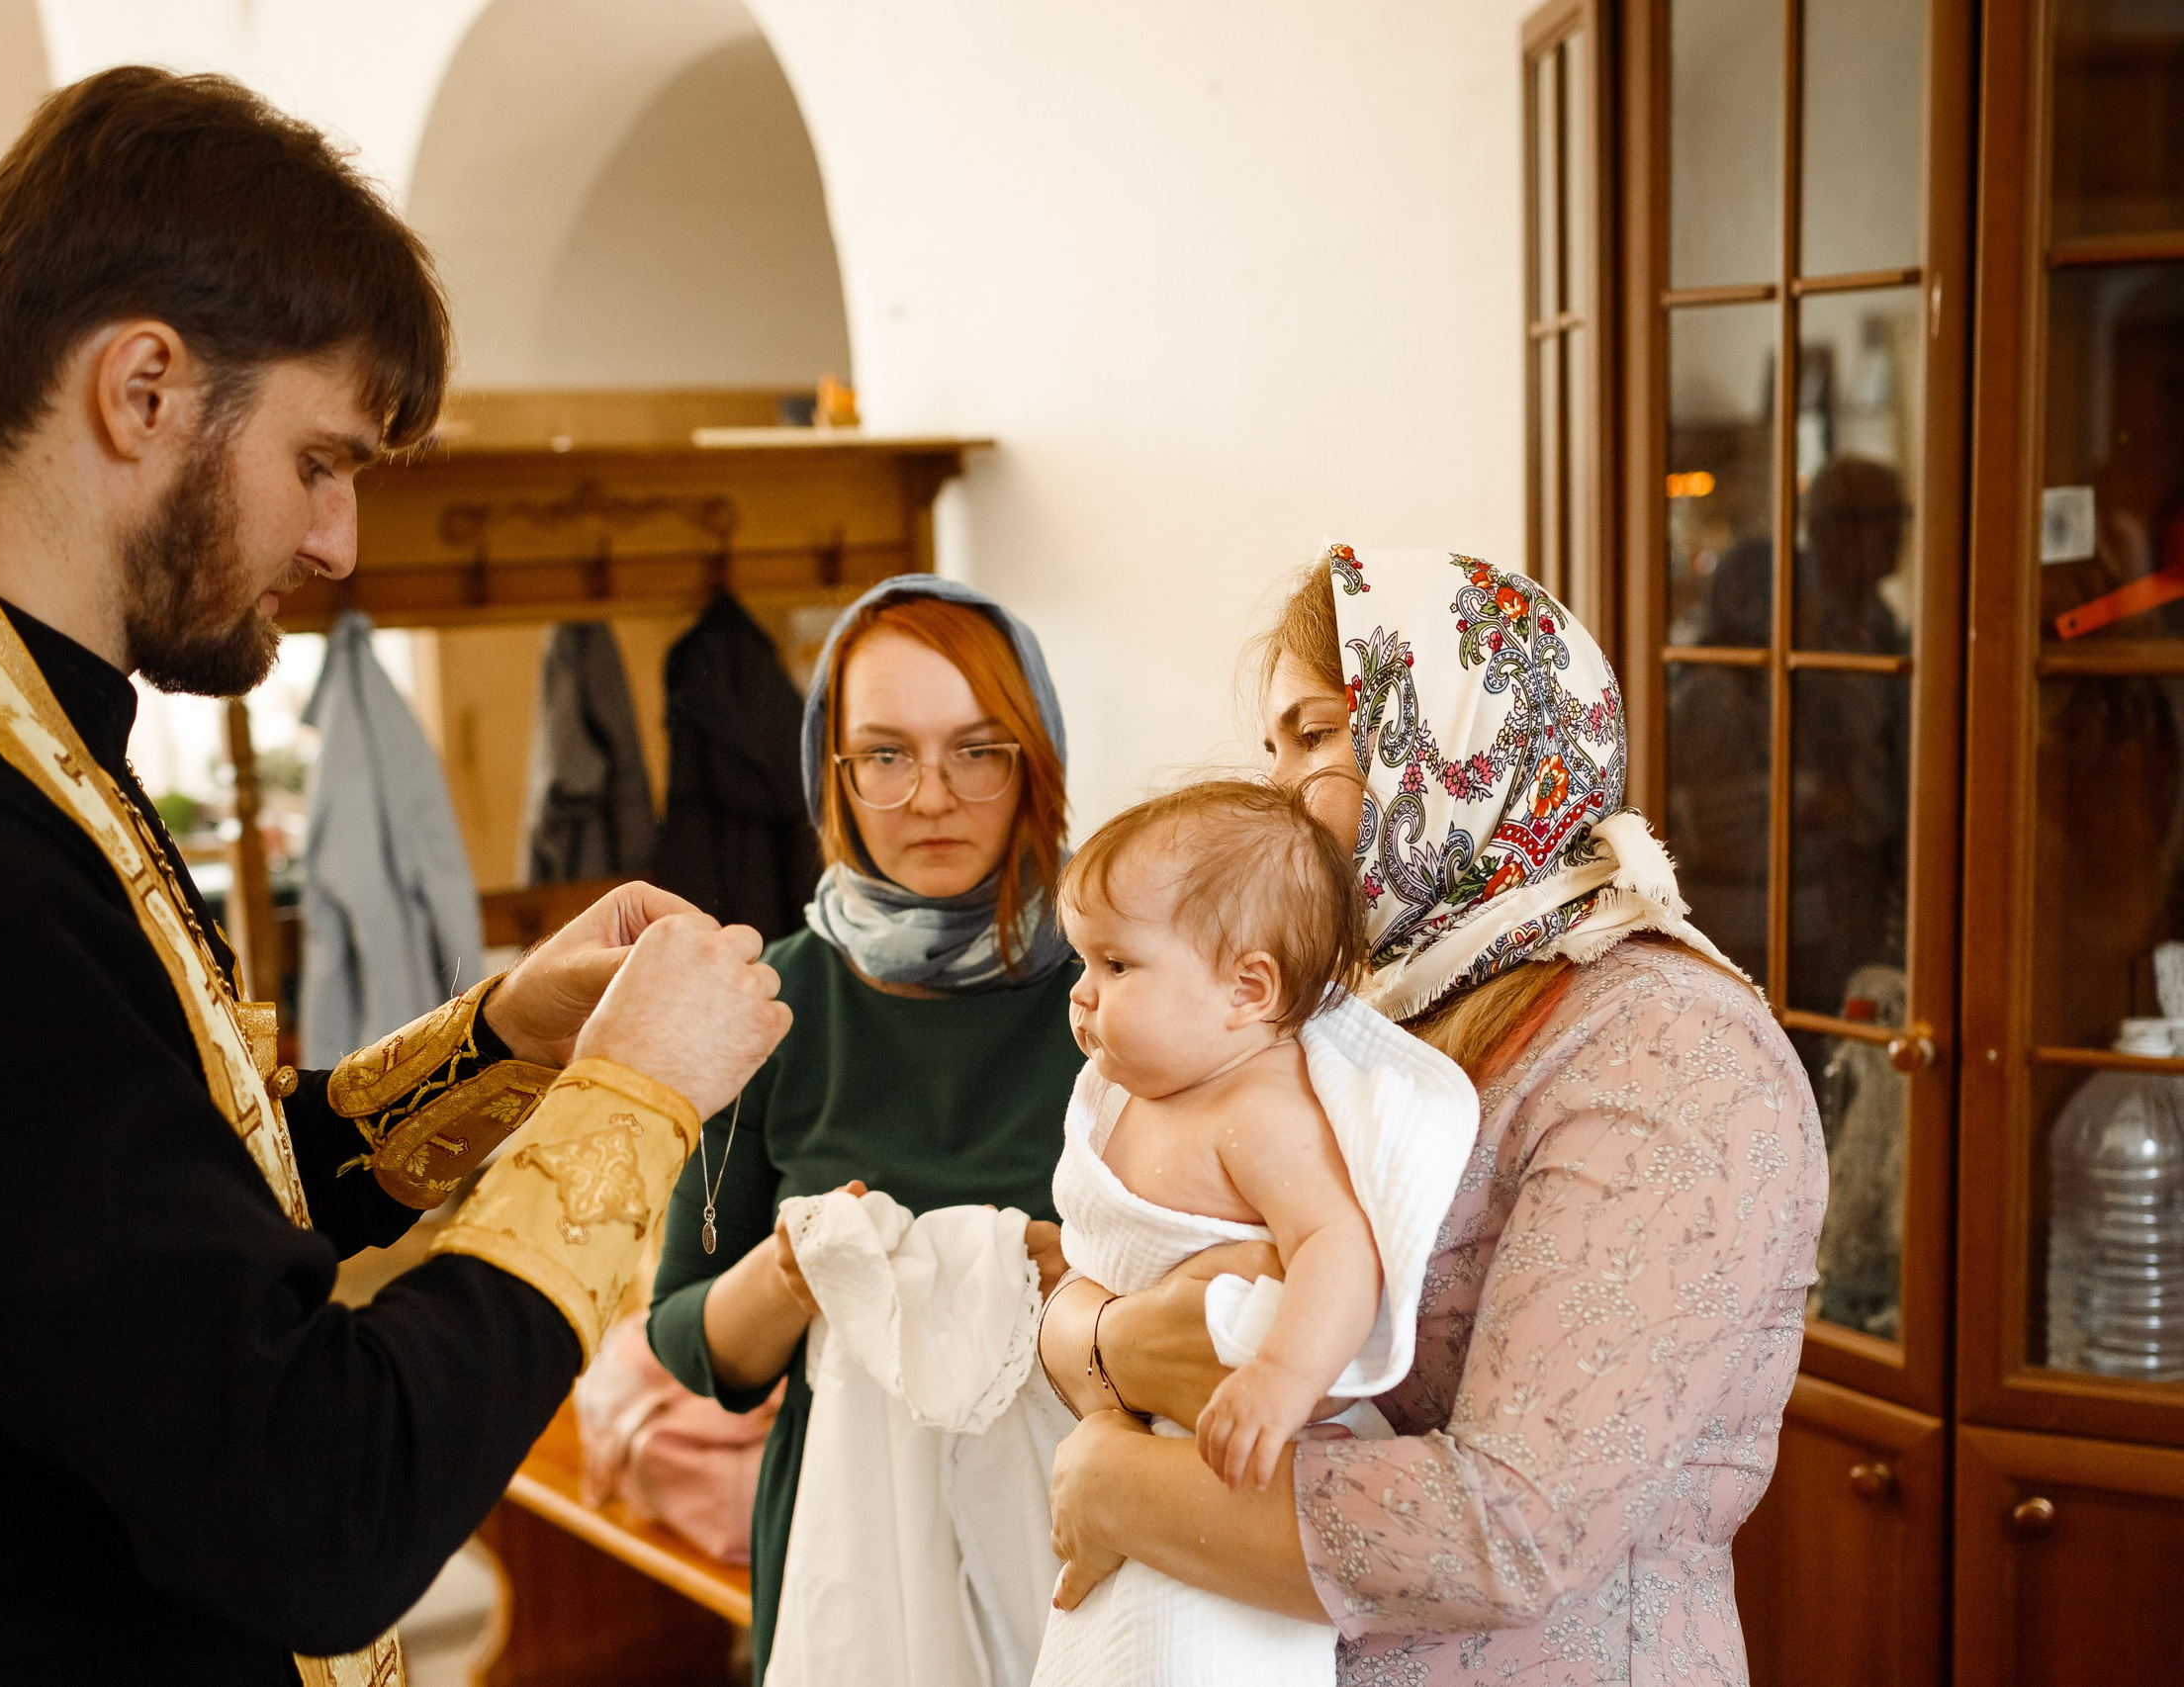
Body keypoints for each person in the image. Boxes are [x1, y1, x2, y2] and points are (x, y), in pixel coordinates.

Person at [0, 69, 789, 1687]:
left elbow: (174, 1220)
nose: (336, 543)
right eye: (321, 460)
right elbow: (312, 1499)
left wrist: (508, 1045)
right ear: (145, 389)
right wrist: (633, 1099)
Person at [1039, 546, 1826, 1684]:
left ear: (1454, 736)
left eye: (1316, 734)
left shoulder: (1664, 1047)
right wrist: (1103, 1339)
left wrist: (1116, 1486)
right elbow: (1100, 1268)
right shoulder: (1349, 1005)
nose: (1281, 790)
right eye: (1275, 745)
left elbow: (1514, 1521)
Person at [648, 576, 1083, 1682]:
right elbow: (691, 1337)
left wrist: (1076, 1273)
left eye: (977, 748)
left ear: (1035, 755)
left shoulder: (1124, 980)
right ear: (830, 774)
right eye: (884, 755)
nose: (930, 794)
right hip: (840, 1538)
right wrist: (792, 1274)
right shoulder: (763, 1004)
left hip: (1083, 1530)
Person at [1051, 780, 1380, 1492]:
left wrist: (1283, 1375)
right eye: (1083, 962)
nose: (1082, 991)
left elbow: (1340, 1246)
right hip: (1121, 1405)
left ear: (1247, 990)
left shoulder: (1262, 1108)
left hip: (1246, 1435)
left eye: (1116, 965)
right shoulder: (1133, 1086)